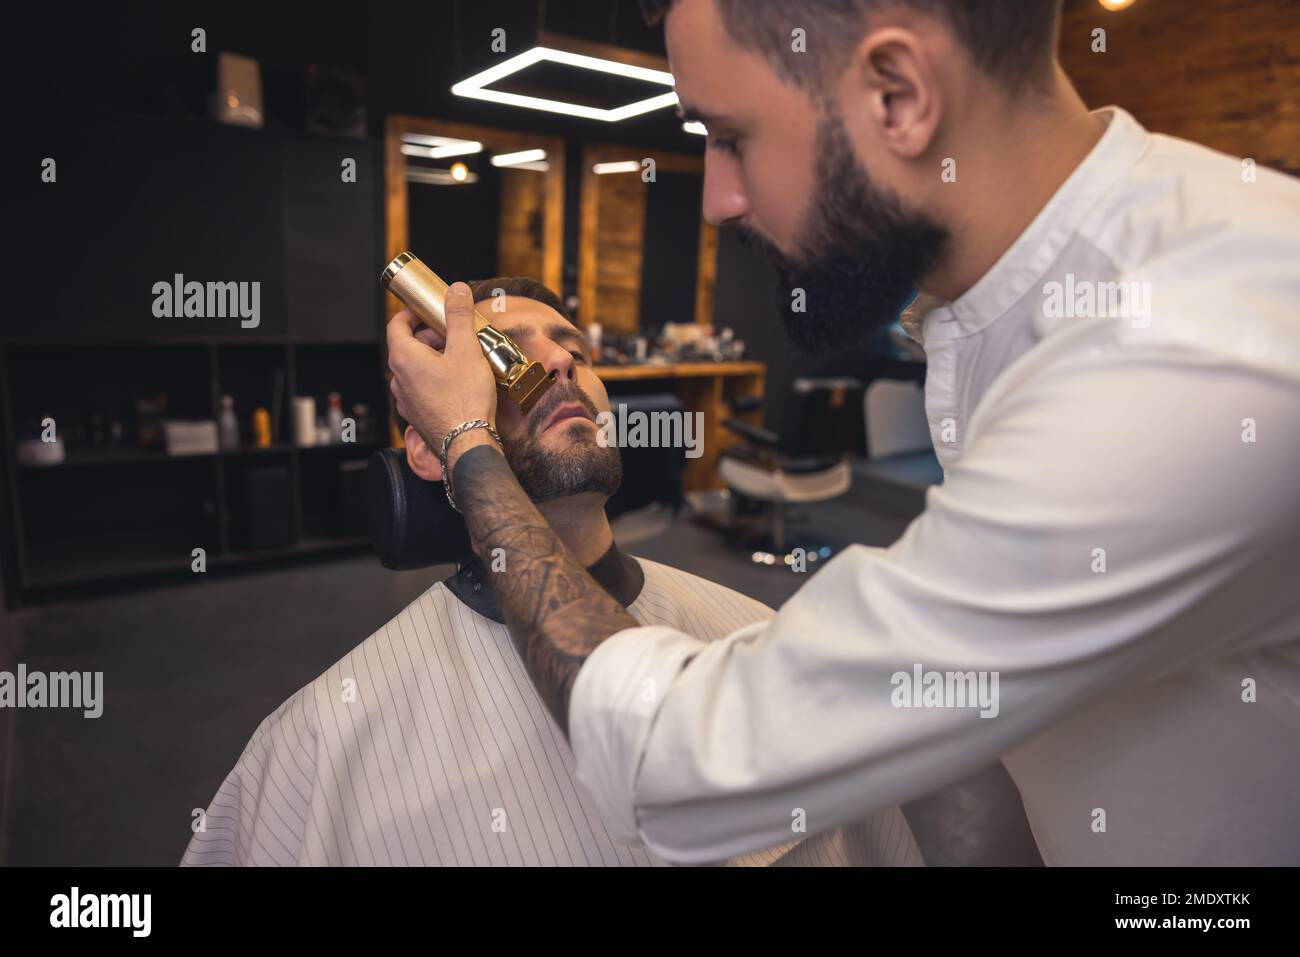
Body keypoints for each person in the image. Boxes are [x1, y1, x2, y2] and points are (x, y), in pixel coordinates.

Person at [385, 0, 1300, 866]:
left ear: (898, 96)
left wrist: (468, 432)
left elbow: (674, 759)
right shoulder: (1012, 305)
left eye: (731, 138)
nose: (717, 203)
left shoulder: (1183, 355)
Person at [181, 278, 923, 866]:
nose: (563, 361)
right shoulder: (318, 742)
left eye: (577, 350)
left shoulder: (767, 637)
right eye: (506, 352)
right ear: (430, 443)